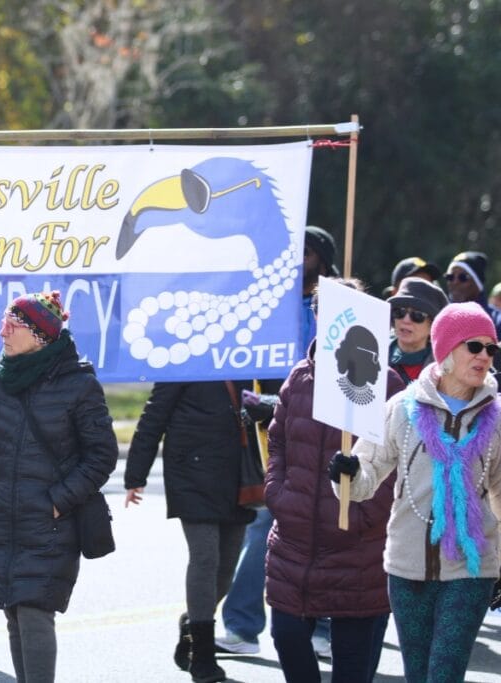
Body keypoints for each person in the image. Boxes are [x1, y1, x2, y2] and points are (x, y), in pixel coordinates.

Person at [331, 301, 501, 682]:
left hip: (471, 570)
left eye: (492, 348)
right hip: (406, 570)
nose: (485, 356)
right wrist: (346, 473)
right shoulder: (402, 409)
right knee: (418, 675)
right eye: (474, 346)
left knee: (443, 675)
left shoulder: (498, 417)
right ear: (445, 351)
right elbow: (365, 477)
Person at [0, 291, 118, 683]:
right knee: (14, 612)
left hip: (50, 523)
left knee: (34, 610)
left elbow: (101, 455)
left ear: (39, 335)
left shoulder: (78, 384)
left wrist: (57, 502)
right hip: (1, 517)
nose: (1, 332)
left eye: (11, 325)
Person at [266, 278, 404, 683]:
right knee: (287, 639)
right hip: (294, 546)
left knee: (352, 669)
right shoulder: (299, 379)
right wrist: (280, 495)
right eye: (320, 312)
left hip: (357, 552)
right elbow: (277, 443)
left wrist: (362, 513)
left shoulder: (388, 386)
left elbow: (397, 466)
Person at [216, 225, 339, 658]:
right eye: (295, 251)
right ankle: (243, 626)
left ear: (324, 258)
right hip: (276, 432)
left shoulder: (341, 305)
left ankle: (324, 626)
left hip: (329, 430)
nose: (300, 258)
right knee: (266, 524)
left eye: (309, 252)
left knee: (327, 528)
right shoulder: (268, 302)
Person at [125, 378, 256, 683]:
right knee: (205, 558)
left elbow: (276, 402)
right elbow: (153, 416)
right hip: (192, 475)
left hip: (239, 475)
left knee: (226, 569)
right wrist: (136, 475)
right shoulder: (185, 359)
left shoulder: (249, 354)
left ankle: (193, 624)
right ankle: (204, 658)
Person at [387, 277, 449, 385]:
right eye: (400, 312)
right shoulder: (374, 352)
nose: (406, 320)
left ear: (433, 327)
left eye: (417, 315)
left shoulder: (445, 371)